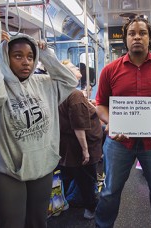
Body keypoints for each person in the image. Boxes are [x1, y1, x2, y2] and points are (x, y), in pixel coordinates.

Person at [0, 33, 77, 227]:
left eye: (30, 57)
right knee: (11, 223)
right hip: (6, 168)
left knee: (38, 221)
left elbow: (70, 82)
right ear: (5, 57)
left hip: (42, 164)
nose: (26, 62)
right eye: (17, 56)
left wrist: (46, 54)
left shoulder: (44, 83)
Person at [94, 16, 151, 228]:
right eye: (132, 33)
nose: (137, 37)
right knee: (109, 192)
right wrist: (112, 122)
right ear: (125, 39)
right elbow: (100, 105)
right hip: (119, 142)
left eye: (142, 33)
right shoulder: (110, 70)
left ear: (150, 38)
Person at [58, 62, 103, 220]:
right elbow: (78, 126)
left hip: (68, 144)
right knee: (86, 178)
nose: (78, 69)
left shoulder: (62, 91)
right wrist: (85, 150)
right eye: (74, 68)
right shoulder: (75, 94)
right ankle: (90, 207)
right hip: (80, 145)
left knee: (74, 176)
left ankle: (72, 200)